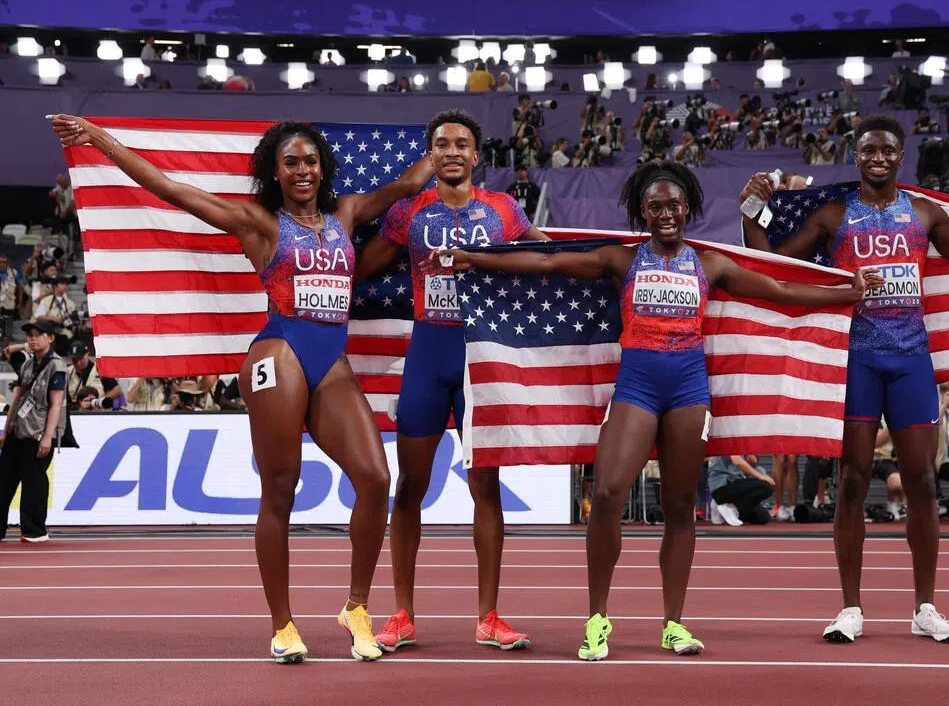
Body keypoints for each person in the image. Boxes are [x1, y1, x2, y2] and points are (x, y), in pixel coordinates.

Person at [421, 160, 877, 661]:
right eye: (656, 206)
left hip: (688, 392)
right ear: (643, 211)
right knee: (611, 493)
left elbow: (783, 292)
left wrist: (845, 294)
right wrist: (476, 260)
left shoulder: (710, 265)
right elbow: (547, 264)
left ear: (688, 209)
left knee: (681, 509)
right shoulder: (623, 260)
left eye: (674, 205)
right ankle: (597, 620)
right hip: (636, 387)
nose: (666, 213)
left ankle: (674, 624)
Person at [50, 113, 434, 664]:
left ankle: (356, 607)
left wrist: (451, 149)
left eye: (310, 161)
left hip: (332, 358)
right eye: (290, 162)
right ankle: (283, 625)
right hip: (278, 351)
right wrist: (101, 140)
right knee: (281, 488)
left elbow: (404, 186)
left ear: (323, 167)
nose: (302, 170)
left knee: (375, 479)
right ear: (275, 173)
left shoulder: (347, 213)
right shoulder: (259, 222)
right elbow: (170, 188)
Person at [738, 114, 949, 644]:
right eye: (868, 149)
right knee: (852, 480)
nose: (877, 157)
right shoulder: (833, 215)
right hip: (857, 359)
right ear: (857, 155)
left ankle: (925, 608)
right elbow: (777, 265)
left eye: (886, 150)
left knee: (921, 482)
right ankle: (850, 608)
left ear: (901, 156)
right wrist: (753, 210)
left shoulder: (923, 213)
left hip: (913, 359)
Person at [355, 109, 550, 654]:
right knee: (409, 489)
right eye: (441, 144)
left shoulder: (503, 210)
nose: (452, 152)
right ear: (431, 155)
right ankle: (401, 616)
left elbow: (551, 257)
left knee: (485, 489)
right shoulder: (409, 212)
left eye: (461, 143)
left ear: (476, 154)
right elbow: (359, 266)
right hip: (428, 357)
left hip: (480, 361)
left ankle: (489, 616)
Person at [0, 321, 69, 543]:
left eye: (38, 335)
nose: (32, 339)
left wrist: (48, 436)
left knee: (34, 482)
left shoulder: (57, 366)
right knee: (4, 479)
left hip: (38, 431)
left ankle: (35, 530)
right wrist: (6, 429)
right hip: (17, 430)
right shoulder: (28, 365)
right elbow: (17, 398)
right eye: (30, 335)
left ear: (50, 338)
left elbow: (56, 404)